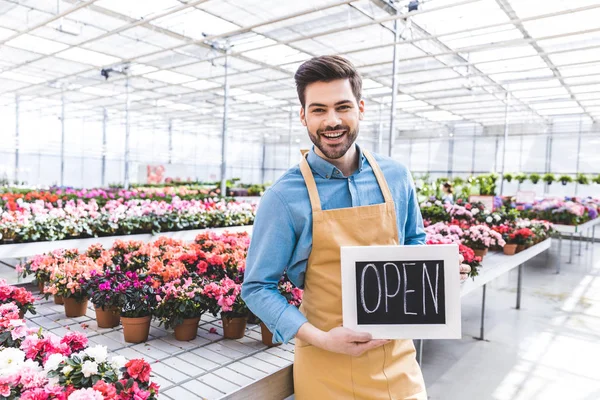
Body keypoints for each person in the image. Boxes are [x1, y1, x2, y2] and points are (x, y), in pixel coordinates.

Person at [242, 55, 470, 399]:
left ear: (360, 108)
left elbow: (413, 242)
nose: (331, 120)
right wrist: (321, 338)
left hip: (399, 360)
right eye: (318, 110)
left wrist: (436, 275)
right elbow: (258, 287)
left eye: (342, 107)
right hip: (327, 360)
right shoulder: (284, 197)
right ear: (302, 115)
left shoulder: (396, 176)